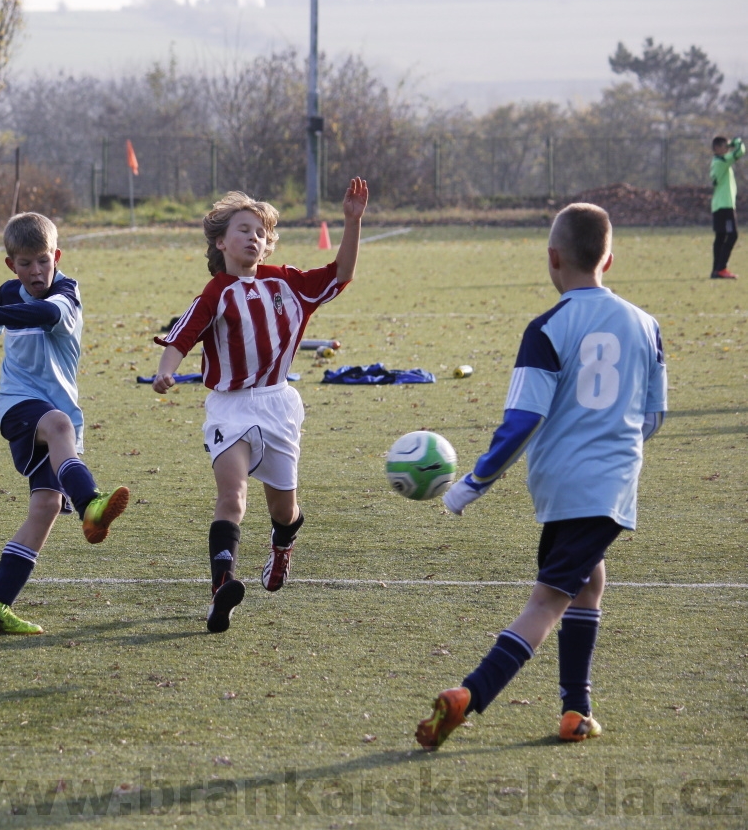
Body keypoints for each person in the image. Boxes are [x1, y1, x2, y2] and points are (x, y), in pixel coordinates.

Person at [416, 202, 668, 750]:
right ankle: (469, 695)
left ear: (553, 258)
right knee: (547, 602)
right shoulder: (647, 326)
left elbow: (523, 422)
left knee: (587, 581)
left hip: (559, 482)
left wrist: (473, 482)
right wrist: (611, 447)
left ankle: (575, 710)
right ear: (610, 258)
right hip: (608, 483)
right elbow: (652, 419)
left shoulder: (547, 328)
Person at [151, 179, 369, 634]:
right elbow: (181, 336)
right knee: (232, 498)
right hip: (230, 408)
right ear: (220, 242)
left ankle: (282, 545)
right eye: (244, 229)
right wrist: (164, 370)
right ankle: (221, 588)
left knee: (283, 511)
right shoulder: (214, 293)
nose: (254, 237)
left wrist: (353, 222)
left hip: (278, 405)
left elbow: (341, 273)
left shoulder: (288, 283)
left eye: (261, 232)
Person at [0, 212, 129, 635]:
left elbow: (39, 315)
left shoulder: (66, 294)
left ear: (56, 256)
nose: (35, 272)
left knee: (46, 507)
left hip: (60, 417)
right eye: (25, 263)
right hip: (20, 407)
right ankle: (90, 503)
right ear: (10, 265)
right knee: (56, 425)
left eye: (42, 261)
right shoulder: (6, 292)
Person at [710, 135, 744, 280]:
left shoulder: (717, 162)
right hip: (725, 205)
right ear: (717, 148)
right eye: (724, 146)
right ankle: (721, 268)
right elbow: (741, 151)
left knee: (721, 237)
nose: (727, 148)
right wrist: (735, 141)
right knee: (732, 235)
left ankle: (716, 270)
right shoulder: (722, 160)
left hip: (719, 205)